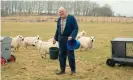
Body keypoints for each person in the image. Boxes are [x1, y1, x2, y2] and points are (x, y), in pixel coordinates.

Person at [53, 7, 78, 75]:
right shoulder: (59, 19)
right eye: (60, 12)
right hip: (61, 40)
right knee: (61, 55)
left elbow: (76, 28)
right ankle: (62, 70)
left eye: (62, 11)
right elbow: (57, 30)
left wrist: (72, 36)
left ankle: (73, 70)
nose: (61, 13)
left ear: (65, 11)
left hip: (69, 40)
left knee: (70, 55)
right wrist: (55, 38)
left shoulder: (71, 18)